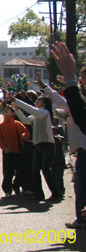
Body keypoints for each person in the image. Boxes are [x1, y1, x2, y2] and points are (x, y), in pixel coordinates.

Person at [49, 41, 86, 229]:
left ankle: (82, 219)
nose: (83, 80)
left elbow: (79, 112)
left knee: (81, 187)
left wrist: (71, 79)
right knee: (80, 188)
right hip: (81, 151)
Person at [12, 93, 64, 201]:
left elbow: (31, 109)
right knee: (35, 170)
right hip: (38, 145)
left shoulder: (44, 112)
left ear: (45, 103)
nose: (36, 101)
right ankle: (38, 194)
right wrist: (17, 110)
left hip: (48, 145)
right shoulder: (36, 115)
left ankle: (56, 193)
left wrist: (16, 101)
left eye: (39, 100)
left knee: (45, 170)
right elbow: (26, 120)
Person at [0, 105, 30, 197]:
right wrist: (4, 147)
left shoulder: (17, 124)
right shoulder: (0, 126)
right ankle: (7, 190)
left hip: (18, 151)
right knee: (8, 172)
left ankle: (16, 185)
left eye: (8, 110)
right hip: (8, 152)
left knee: (22, 171)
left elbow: (24, 132)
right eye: (4, 110)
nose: (5, 111)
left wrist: (24, 136)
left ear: (13, 113)